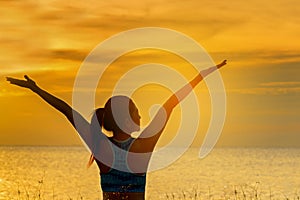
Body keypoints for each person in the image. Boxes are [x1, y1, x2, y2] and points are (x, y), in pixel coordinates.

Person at [6, 60, 227, 200]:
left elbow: (66, 110)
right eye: (137, 111)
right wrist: (200, 76)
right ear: (128, 118)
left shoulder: (100, 147)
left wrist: (35, 89)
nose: (140, 116)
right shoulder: (143, 146)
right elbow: (170, 104)